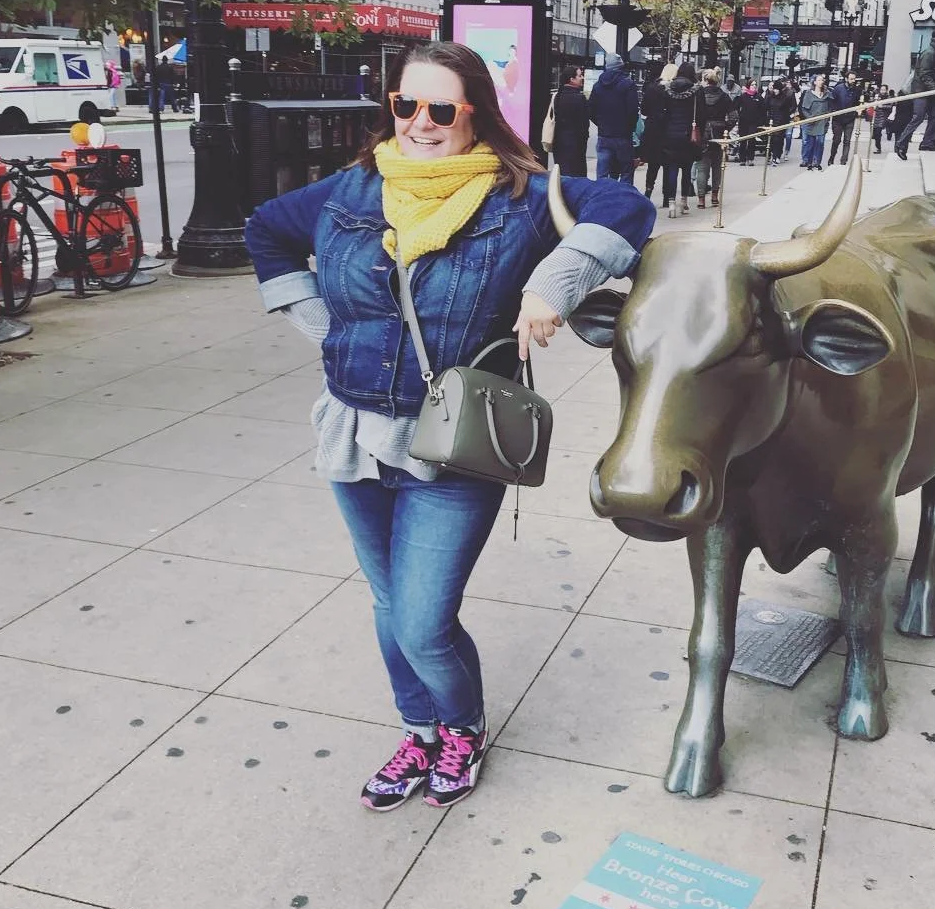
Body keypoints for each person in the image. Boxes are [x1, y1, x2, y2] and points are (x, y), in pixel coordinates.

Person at [243, 42, 653, 812]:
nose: (421, 124)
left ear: (476, 116)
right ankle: (418, 730)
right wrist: (323, 326)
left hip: (454, 442)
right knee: (389, 605)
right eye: (406, 106)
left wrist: (554, 282)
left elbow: (626, 208)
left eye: (441, 109)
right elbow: (265, 228)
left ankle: (460, 727)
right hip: (354, 433)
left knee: (424, 620)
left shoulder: (521, 193)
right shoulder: (354, 188)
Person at [895, 27, 935, 159]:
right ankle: (901, 144)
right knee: (918, 117)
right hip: (922, 91)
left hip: (931, 91)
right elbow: (924, 74)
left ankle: (927, 142)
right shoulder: (930, 53)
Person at [588, 52, 639, 184]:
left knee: (603, 173)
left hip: (604, 134)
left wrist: (601, 123)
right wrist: (629, 128)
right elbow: (633, 111)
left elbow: (591, 110)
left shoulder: (598, 86)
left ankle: (603, 199)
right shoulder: (628, 85)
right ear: (621, 66)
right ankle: (623, 200)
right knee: (626, 172)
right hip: (623, 136)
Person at [659, 62, 701, 216]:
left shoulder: (667, 90)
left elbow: (663, 114)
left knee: (672, 169)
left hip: (670, 135)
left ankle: (671, 203)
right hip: (688, 135)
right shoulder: (696, 91)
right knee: (686, 170)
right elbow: (701, 115)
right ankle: (683, 202)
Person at [692, 68, 735, 209]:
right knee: (717, 166)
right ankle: (715, 196)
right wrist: (726, 128)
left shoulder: (699, 95)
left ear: (705, 80)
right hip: (719, 133)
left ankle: (701, 199)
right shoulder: (724, 96)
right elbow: (734, 116)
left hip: (703, 133)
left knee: (702, 168)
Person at [639, 62, 676, 198]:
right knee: (668, 164)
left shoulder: (651, 88)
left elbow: (644, 109)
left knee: (653, 164)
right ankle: (667, 196)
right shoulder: (673, 90)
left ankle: (648, 189)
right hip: (668, 129)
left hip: (653, 128)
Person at [551, 65, 590, 177]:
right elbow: (584, 124)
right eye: (579, 75)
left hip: (559, 142)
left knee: (562, 175)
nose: (582, 78)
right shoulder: (579, 98)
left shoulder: (558, 96)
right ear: (571, 79)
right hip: (576, 144)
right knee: (576, 176)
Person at [827, 71, 862, 166]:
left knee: (847, 140)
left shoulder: (857, 90)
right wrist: (833, 111)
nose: (853, 81)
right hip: (838, 119)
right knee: (836, 140)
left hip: (850, 118)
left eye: (854, 79)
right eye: (851, 79)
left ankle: (843, 161)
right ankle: (832, 157)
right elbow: (832, 101)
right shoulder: (838, 88)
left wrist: (858, 110)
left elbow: (859, 102)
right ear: (846, 79)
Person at [799, 74, 833, 170]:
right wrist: (809, 118)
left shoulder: (827, 93)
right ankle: (809, 162)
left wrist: (827, 117)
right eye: (819, 80)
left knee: (820, 143)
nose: (821, 82)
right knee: (810, 143)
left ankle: (817, 162)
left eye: (822, 80)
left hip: (822, 122)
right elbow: (804, 109)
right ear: (814, 82)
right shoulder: (809, 93)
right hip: (811, 122)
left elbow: (831, 107)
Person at [735, 78, 766, 167]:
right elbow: (736, 106)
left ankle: (750, 158)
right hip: (743, 121)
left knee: (752, 140)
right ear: (748, 86)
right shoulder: (743, 96)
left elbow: (763, 109)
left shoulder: (759, 97)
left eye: (755, 84)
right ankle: (742, 159)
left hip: (754, 122)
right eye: (752, 84)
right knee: (743, 140)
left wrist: (761, 120)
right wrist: (739, 115)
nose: (754, 86)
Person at [763, 80, 796, 165]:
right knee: (771, 139)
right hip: (771, 120)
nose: (775, 91)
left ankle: (776, 156)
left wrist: (787, 115)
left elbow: (791, 107)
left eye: (777, 89)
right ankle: (770, 155)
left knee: (778, 139)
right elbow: (765, 107)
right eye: (774, 89)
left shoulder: (785, 98)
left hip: (781, 120)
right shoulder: (770, 97)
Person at [871, 84, 894, 153]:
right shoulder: (877, 96)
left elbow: (890, 107)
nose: (882, 91)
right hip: (876, 116)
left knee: (878, 133)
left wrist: (882, 106)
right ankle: (877, 146)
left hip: (883, 117)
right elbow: (873, 104)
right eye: (881, 89)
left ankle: (879, 149)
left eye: (884, 90)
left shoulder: (888, 97)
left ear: (886, 90)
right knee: (875, 134)